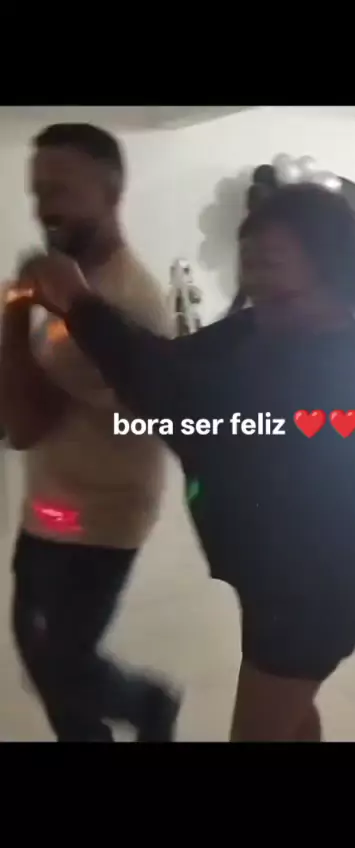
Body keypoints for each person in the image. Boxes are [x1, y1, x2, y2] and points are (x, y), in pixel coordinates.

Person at [17, 183, 355, 742]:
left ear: (328, 264)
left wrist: (80, 303)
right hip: (274, 578)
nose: (254, 282)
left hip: (320, 591)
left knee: (266, 718)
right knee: (292, 711)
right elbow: (170, 365)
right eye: (248, 264)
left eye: (269, 263)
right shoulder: (259, 329)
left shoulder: (336, 373)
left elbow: (180, 399)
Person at [0, 123, 179, 742]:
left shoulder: (117, 303)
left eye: (61, 190)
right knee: (43, 652)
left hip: (98, 516)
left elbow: (22, 424)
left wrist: (14, 311)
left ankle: (150, 705)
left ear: (111, 191)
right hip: (53, 502)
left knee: (61, 660)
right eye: (37, 192)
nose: (44, 208)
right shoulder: (68, 287)